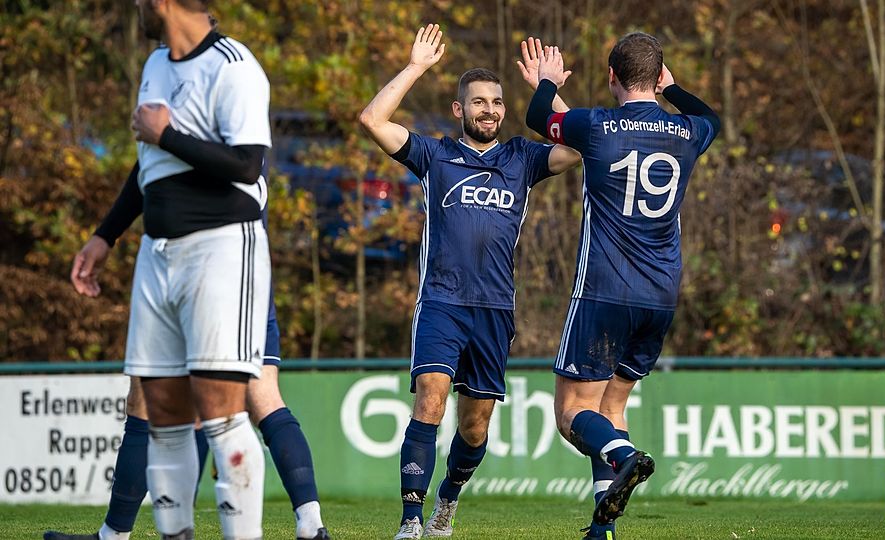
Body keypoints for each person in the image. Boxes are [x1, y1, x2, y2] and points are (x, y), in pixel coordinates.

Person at [57, 1, 286, 538]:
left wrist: (168, 135)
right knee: (162, 414)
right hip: (157, 254)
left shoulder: (234, 66)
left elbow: (247, 164)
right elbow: (150, 164)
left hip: (221, 250)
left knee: (222, 413)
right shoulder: (156, 64)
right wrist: (105, 234)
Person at [358, 24, 581, 540]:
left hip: (494, 310)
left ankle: (448, 500)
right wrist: (415, 67)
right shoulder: (434, 156)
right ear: (459, 109)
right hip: (441, 302)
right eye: (479, 102)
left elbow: (579, 148)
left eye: (497, 103)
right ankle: (410, 521)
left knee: (474, 427)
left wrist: (546, 90)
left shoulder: (522, 159)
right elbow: (372, 119)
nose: (489, 110)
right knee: (430, 401)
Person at [525, 33, 720, 540]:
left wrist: (546, 82)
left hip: (605, 290)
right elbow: (712, 118)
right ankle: (603, 530)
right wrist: (673, 91)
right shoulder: (687, 131)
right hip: (661, 296)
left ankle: (625, 455)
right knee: (611, 408)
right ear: (657, 78)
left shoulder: (597, 126)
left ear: (611, 76)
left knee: (572, 413)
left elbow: (538, 116)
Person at [47, 209, 330, 540]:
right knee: (252, 398)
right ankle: (310, 523)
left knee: (218, 404)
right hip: (226, 261)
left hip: (212, 257)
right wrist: (105, 235)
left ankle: (118, 534)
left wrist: (106, 234)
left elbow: (234, 175)